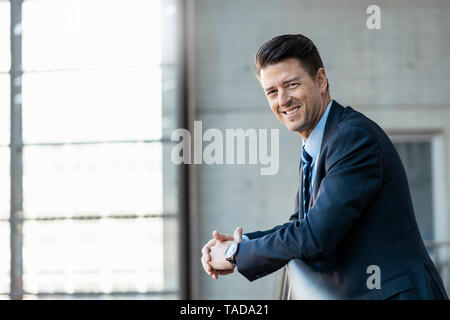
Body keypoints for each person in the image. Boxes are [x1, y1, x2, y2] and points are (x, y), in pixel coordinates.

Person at [200, 34, 448, 300]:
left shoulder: (353, 138)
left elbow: (315, 235)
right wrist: (241, 244)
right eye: (272, 91)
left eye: (291, 85)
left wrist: (235, 256)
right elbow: (302, 224)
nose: (282, 100)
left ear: (320, 80)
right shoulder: (316, 144)